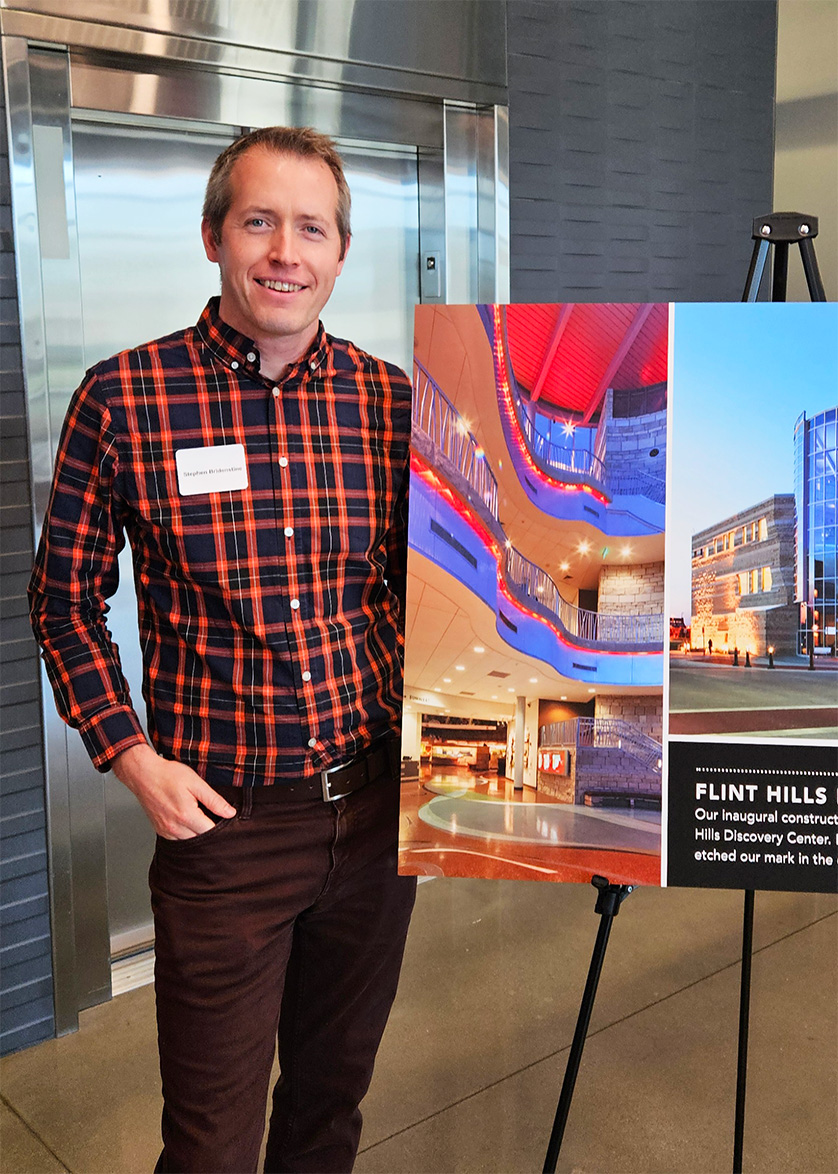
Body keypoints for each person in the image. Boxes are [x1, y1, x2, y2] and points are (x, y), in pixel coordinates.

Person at [29, 125, 417, 1174]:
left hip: (381, 811)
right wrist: (131, 759)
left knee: (331, 1105)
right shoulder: (125, 399)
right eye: (259, 221)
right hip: (227, 831)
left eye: (311, 228)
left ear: (340, 254)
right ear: (213, 236)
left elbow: (434, 595)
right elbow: (63, 603)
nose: (285, 250)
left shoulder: (393, 406)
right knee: (208, 1142)